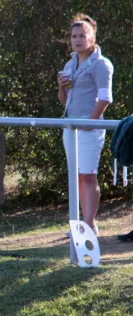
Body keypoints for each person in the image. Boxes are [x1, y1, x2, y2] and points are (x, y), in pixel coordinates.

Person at [58, 14, 113, 235]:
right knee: (76, 176)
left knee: (88, 175)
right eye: (74, 36)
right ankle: (80, 223)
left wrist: (90, 124)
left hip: (90, 129)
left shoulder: (101, 64)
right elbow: (65, 101)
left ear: (92, 38)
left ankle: (89, 225)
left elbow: (105, 98)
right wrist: (61, 87)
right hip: (70, 128)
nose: (78, 39)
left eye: (83, 35)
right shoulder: (70, 63)